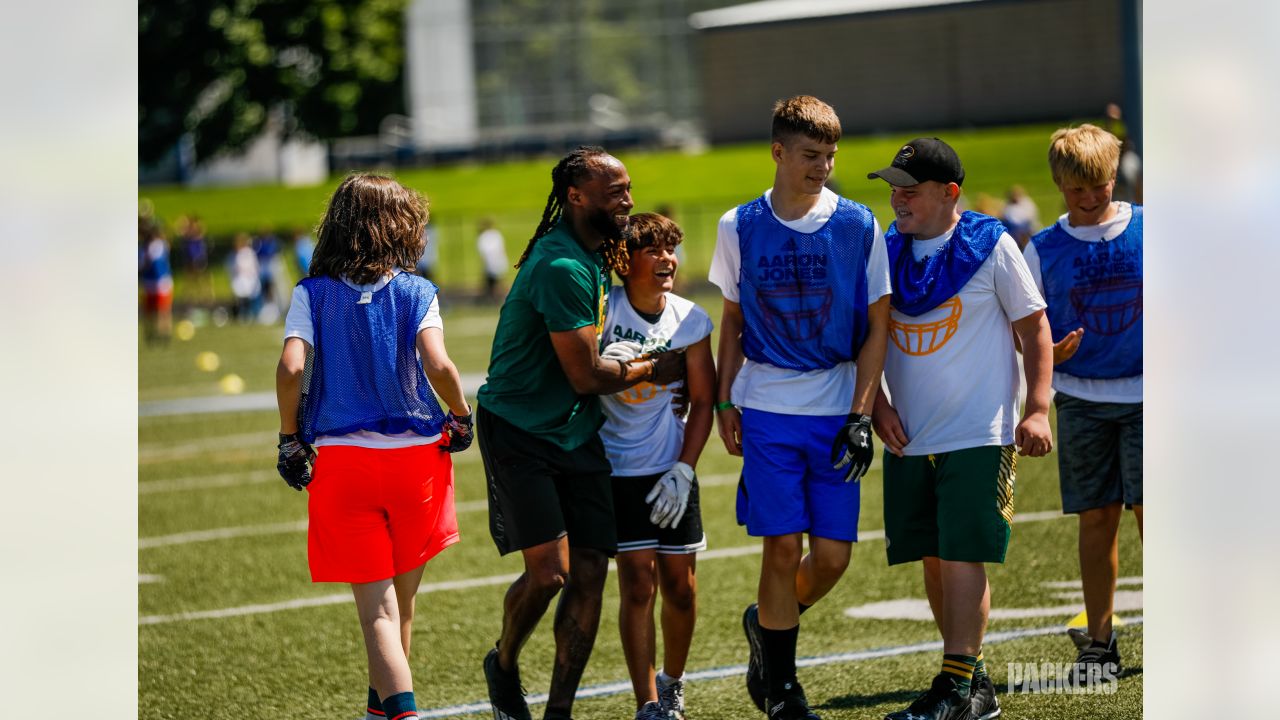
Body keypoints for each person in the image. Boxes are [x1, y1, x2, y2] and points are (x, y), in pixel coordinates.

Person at [476, 146, 687, 720]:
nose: (628, 200)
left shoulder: (600, 251)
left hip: (576, 430)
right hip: (520, 427)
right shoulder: (562, 264)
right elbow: (587, 374)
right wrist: (657, 367)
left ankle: (559, 714)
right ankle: (504, 661)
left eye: (628, 188)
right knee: (550, 574)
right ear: (575, 196)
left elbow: (647, 271)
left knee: (593, 570)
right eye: (616, 191)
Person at [708, 95, 891, 720]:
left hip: (838, 408)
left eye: (830, 156)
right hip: (766, 408)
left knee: (834, 558)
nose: (823, 167)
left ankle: (766, 627)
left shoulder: (859, 224)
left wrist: (862, 415)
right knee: (781, 549)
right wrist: (724, 400)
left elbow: (877, 326)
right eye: (811, 155)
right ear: (778, 152)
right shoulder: (738, 224)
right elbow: (730, 321)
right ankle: (783, 690)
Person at [866, 138, 1054, 720]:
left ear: (949, 193)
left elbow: (1035, 328)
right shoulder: (885, 250)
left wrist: (1039, 407)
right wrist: (877, 409)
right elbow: (865, 340)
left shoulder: (990, 243)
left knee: (961, 556)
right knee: (931, 554)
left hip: (978, 430)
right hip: (908, 436)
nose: (897, 197)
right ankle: (971, 681)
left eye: (911, 188)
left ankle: (953, 690)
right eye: (893, 186)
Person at [273, 173, 473, 720]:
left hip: (343, 464)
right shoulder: (416, 290)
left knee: (379, 615)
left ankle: (399, 714)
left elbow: (292, 367)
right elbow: (440, 366)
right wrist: (461, 415)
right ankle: (379, 711)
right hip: (418, 464)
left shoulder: (311, 293)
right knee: (401, 607)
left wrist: (290, 437)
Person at [1024, 123, 1142, 682]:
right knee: (1097, 520)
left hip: (1152, 397)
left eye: (1100, 185)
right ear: (1059, 186)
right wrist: (1052, 352)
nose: (1092, 198)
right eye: (1078, 190)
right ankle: (1100, 642)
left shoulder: (1151, 229)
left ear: (1113, 177)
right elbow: (1024, 328)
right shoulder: (1042, 249)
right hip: (1082, 401)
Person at [597, 213, 716, 720]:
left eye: (672, 249)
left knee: (682, 590)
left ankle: (673, 683)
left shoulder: (689, 318)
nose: (668, 259)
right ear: (626, 261)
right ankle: (647, 700)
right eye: (655, 251)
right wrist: (612, 369)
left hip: (671, 469)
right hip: (618, 469)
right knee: (637, 587)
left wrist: (685, 468)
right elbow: (578, 377)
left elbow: (705, 400)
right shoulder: (602, 311)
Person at [139, 218, 174, 344]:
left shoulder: (159, 245)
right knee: (149, 311)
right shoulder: (143, 248)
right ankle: (150, 334)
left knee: (163, 309)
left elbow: (149, 262)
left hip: (161, 282)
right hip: (149, 282)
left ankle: (164, 335)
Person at [476, 217, 509, 303]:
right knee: (497, 281)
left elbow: (483, 253)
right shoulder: (496, 234)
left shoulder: (482, 237)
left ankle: (494, 298)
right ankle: (498, 298)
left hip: (491, 263)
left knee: (493, 283)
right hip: (499, 261)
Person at [1000, 185, 1040, 249]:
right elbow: (1013, 222)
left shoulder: (1027, 202)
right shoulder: (1008, 207)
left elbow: (1030, 218)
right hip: (1017, 234)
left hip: (1029, 231)